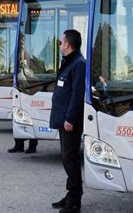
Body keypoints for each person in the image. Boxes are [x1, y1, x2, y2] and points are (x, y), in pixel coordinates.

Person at [50, 30, 86, 213]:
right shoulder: (69, 62)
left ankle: (74, 200)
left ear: (67, 44)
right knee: (67, 158)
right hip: (62, 119)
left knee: (70, 158)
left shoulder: (78, 64)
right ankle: (71, 194)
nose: (59, 45)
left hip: (69, 121)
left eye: (60, 42)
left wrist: (70, 118)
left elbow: (77, 94)